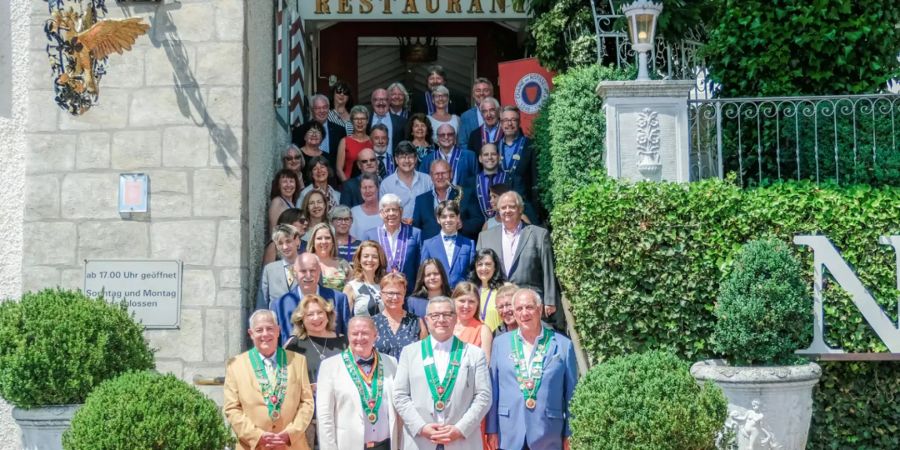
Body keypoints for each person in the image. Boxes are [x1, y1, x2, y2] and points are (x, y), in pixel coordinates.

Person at [392, 296, 492, 450]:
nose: (441, 319)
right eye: (435, 315)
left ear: (455, 318)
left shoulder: (474, 353)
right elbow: (399, 395)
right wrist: (421, 427)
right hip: (420, 441)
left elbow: (484, 396)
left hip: (461, 441)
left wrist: (460, 428)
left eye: (447, 315)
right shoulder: (410, 352)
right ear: (427, 319)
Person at [486, 289, 578, 450]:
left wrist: (570, 432)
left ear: (540, 309)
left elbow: (572, 393)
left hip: (548, 433)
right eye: (519, 309)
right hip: (509, 432)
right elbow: (493, 389)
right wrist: (491, 429)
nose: (524, 313)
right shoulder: (500, 344)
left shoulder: (563, 345)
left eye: (529, 307)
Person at [224, 310, 314, 450]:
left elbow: (307, 402)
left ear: (278, 331)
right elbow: (232, 408)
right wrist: (257, 436)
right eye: (259, 330)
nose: (265, 334)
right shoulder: (235, 365)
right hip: (252, 446)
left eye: (270, 328)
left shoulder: (298, 361)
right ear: (251, 333)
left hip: (292, 445)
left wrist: (291, 433)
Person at [476, 192, 562, 330]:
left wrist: (550, 300)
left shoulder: (538, 234)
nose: (507, 211)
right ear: (498, 210)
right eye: (503, 207)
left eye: (512, 207)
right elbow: (480, 273)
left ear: (520, 209)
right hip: (498, 305)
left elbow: (548, 269)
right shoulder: (485, 237)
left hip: (529, 304)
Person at [316, 316, 402, 450]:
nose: (360, 338)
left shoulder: (391, 363)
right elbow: (325, 417)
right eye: (355, 333)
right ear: (348, 336)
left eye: (365, 333)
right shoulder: (330, 366)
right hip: (349, 445)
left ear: (375, 336)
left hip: (386, 444)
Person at [284, 294, 350, 449]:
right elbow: (283, 381)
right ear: (302, 320)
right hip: (308, 420)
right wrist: (307, 387)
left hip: (340, 417)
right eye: (310, 314)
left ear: (328, 315)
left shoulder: (344, 342)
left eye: (320, 312)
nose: (316, 318)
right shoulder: (294, 345)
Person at [273, 253, 353, 344]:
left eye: (312, 270)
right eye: (303, 271)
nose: (308, 275)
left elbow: (347, 337)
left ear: (319, 271)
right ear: (294, 273)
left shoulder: (339, 300)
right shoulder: (279, 305)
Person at [362, 193, 424, 295]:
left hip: (409, 293)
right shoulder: (370, 235)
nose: (391, 213)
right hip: (379, 293)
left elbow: (420, 265)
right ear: (381, 213)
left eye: (394, 210)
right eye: (387, 210)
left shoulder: (415, 233)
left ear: (401, 211)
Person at [412, 158, 482, 240]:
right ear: (431, 176)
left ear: (451, 174)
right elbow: (416, 229)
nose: (440, 177)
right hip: (431, 250)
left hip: (459, 247)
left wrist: (462, 224)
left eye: (444, 173)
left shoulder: (467, 194)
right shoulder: (421, 200)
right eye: (436, 174)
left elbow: (479, 221)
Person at [421, 201, 476, 288]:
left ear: (458, 217)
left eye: (452, 216)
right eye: (444, 217)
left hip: (461, 296)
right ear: (438, 219)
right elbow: (424, 273)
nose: (448, 220)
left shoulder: (469, 244)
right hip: (437, 296)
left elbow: (472, 274)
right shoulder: (428, 245)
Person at [373, 273, 427, 360]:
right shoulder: (372, 323)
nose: (394, 297)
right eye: (390, 293)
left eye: (398, 293)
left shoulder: (417, 322)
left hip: (410, 373)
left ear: (404, 294)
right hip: (381, 372)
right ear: (381, 294)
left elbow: (426, 353)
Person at [379, 141, 433, 220]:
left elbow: (433, 206)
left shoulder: (427, 180)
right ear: (396, 160)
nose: (407, 161)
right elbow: (384, 213)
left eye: (410, 157)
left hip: (423, 229)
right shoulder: (386, 184)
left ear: (415, 159)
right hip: (398, 229)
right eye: (402, 157)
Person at [498, 106, 539, 209]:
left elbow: (535, 178)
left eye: (513, 120)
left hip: (524, 205)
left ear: (519, 122)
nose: (509, 124)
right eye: (506, 120)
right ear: (501, 123)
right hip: (500, 206)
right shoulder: (494, 147)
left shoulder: (530, 145)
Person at [293, 94, 346, 168]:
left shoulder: (340, 130)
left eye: (325, 107)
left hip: (332, 175)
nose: (322, 111)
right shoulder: (300, 131)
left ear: (329, 108)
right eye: (317, 108)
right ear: (312, 110)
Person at [257, 224, 303, 311]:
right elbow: (262, 303)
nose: (285, 247)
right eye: (280, 243)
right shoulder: (269, 270)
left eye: (288, 241)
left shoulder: (309, 266)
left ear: (297, 240)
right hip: (277, 322)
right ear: (276, 246)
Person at [344, 240, 387, 317]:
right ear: (359, 259)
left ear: (380, 260)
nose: (370, 260)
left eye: (375, 257)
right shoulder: (351, 287)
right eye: (366, 256)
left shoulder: (386, 285)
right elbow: (345, 320)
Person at [453, 282, 493, 362]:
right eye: (462, 301)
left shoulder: (483, 330)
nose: (466, 306)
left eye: (471, 302)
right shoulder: (445, 325)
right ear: (453, 301)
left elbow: (485, 363)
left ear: (477, 304)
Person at [468, 248, 507, 332]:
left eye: (488, 264)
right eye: (480, 264)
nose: (483, 268)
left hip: (498, 338)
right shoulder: (471, 290)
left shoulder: (504, 289)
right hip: (476, 340)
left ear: (495, 267)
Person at [308, 222, 351, 291]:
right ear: (313, 241)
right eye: (319, 238)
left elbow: (351, 292)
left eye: (327, 238)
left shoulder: (343, 264)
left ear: (333, 241)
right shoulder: (305, 263)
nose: (324, 241)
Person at [336, 105, 372, 182]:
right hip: (349, 183)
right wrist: (348, 185)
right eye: (356, 119)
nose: (360, 122)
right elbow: (339, 169)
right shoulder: (344, 141)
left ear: (367, 121)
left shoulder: (372, 141)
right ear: (352, 121)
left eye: (362, 119)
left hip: (370, 185)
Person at [295, 122, 336, 188]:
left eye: (318, 132)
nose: (314, 134)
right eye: (311, 131)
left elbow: (332, 179)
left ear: (322, 138)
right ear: (305, 137)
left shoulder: (328, 157)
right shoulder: (297, 154)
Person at [457, 78, 494, 151]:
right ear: (473, 95)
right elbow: (462, 143)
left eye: (485, 90)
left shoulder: (501, 113)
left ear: (492, 93)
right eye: (478, 91)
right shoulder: (466, 116)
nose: (481, 93)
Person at [369, 88, 407, 153]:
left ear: (389, 102)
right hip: (370, 162)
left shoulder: (402, 122)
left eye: (384, 99)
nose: (381, 103)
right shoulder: (366, 121)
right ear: (372, 102)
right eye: (377, 100)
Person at [350, 173, 384, 238]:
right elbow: (352, 239)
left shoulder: (386, 211)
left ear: (378, 188)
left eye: (370, 187)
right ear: (360, 190)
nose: (367, 191)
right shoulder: (354, 212)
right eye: (364, 187)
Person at [269, 169, 301, 233]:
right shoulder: (277, 202)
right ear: (278, 185)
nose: (288, 185)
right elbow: (274, 231)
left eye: (291, 181)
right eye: (284, 182)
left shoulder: (292, 204)